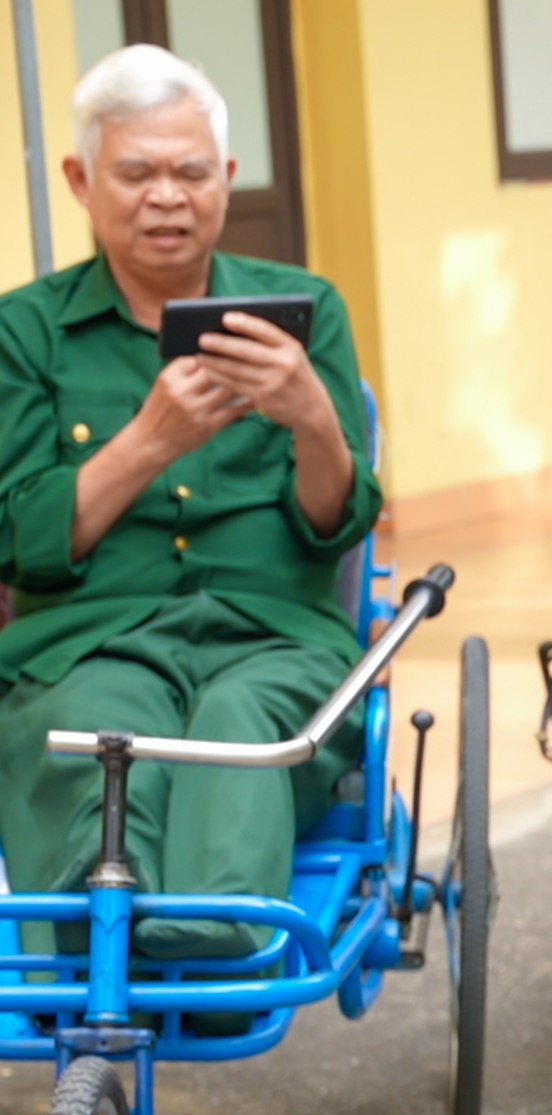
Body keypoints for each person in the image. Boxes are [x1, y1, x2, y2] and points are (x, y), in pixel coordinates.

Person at [0, 45, 379, 961]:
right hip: (92, 634)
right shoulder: (26, 330)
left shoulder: (305, 310)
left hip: (274, 632)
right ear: (81, 181)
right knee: (103, 722)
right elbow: (19, 539)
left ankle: (212, 941)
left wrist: (314, 421)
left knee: (241, 716)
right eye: (136, 172)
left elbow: (336, 523)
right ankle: (94, 944)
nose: (167, 196)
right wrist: (147, 444)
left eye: (191, 172)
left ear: (228, 179)